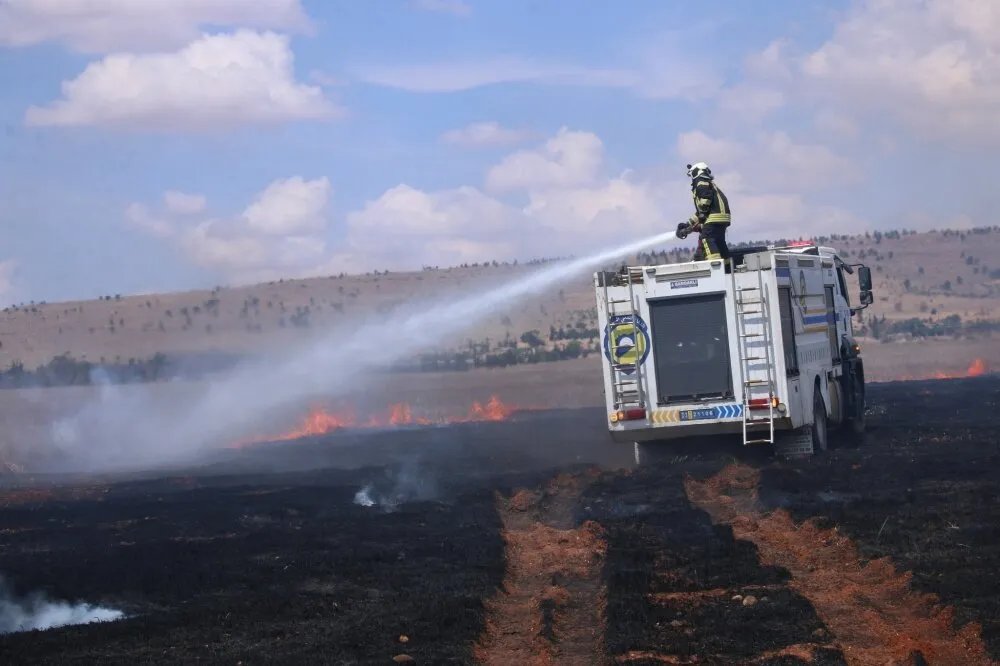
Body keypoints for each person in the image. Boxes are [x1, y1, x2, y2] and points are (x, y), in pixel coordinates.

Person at [680, 162, 731, 260]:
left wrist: (703, 212)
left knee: (707, 238)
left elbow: (705, 198)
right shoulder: (710, 184)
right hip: (722, 219)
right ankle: (727, 266)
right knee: (719, 242)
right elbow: (700, 211)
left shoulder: (700, 182)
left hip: (713, 218)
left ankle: (715, 266)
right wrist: (687, 224)